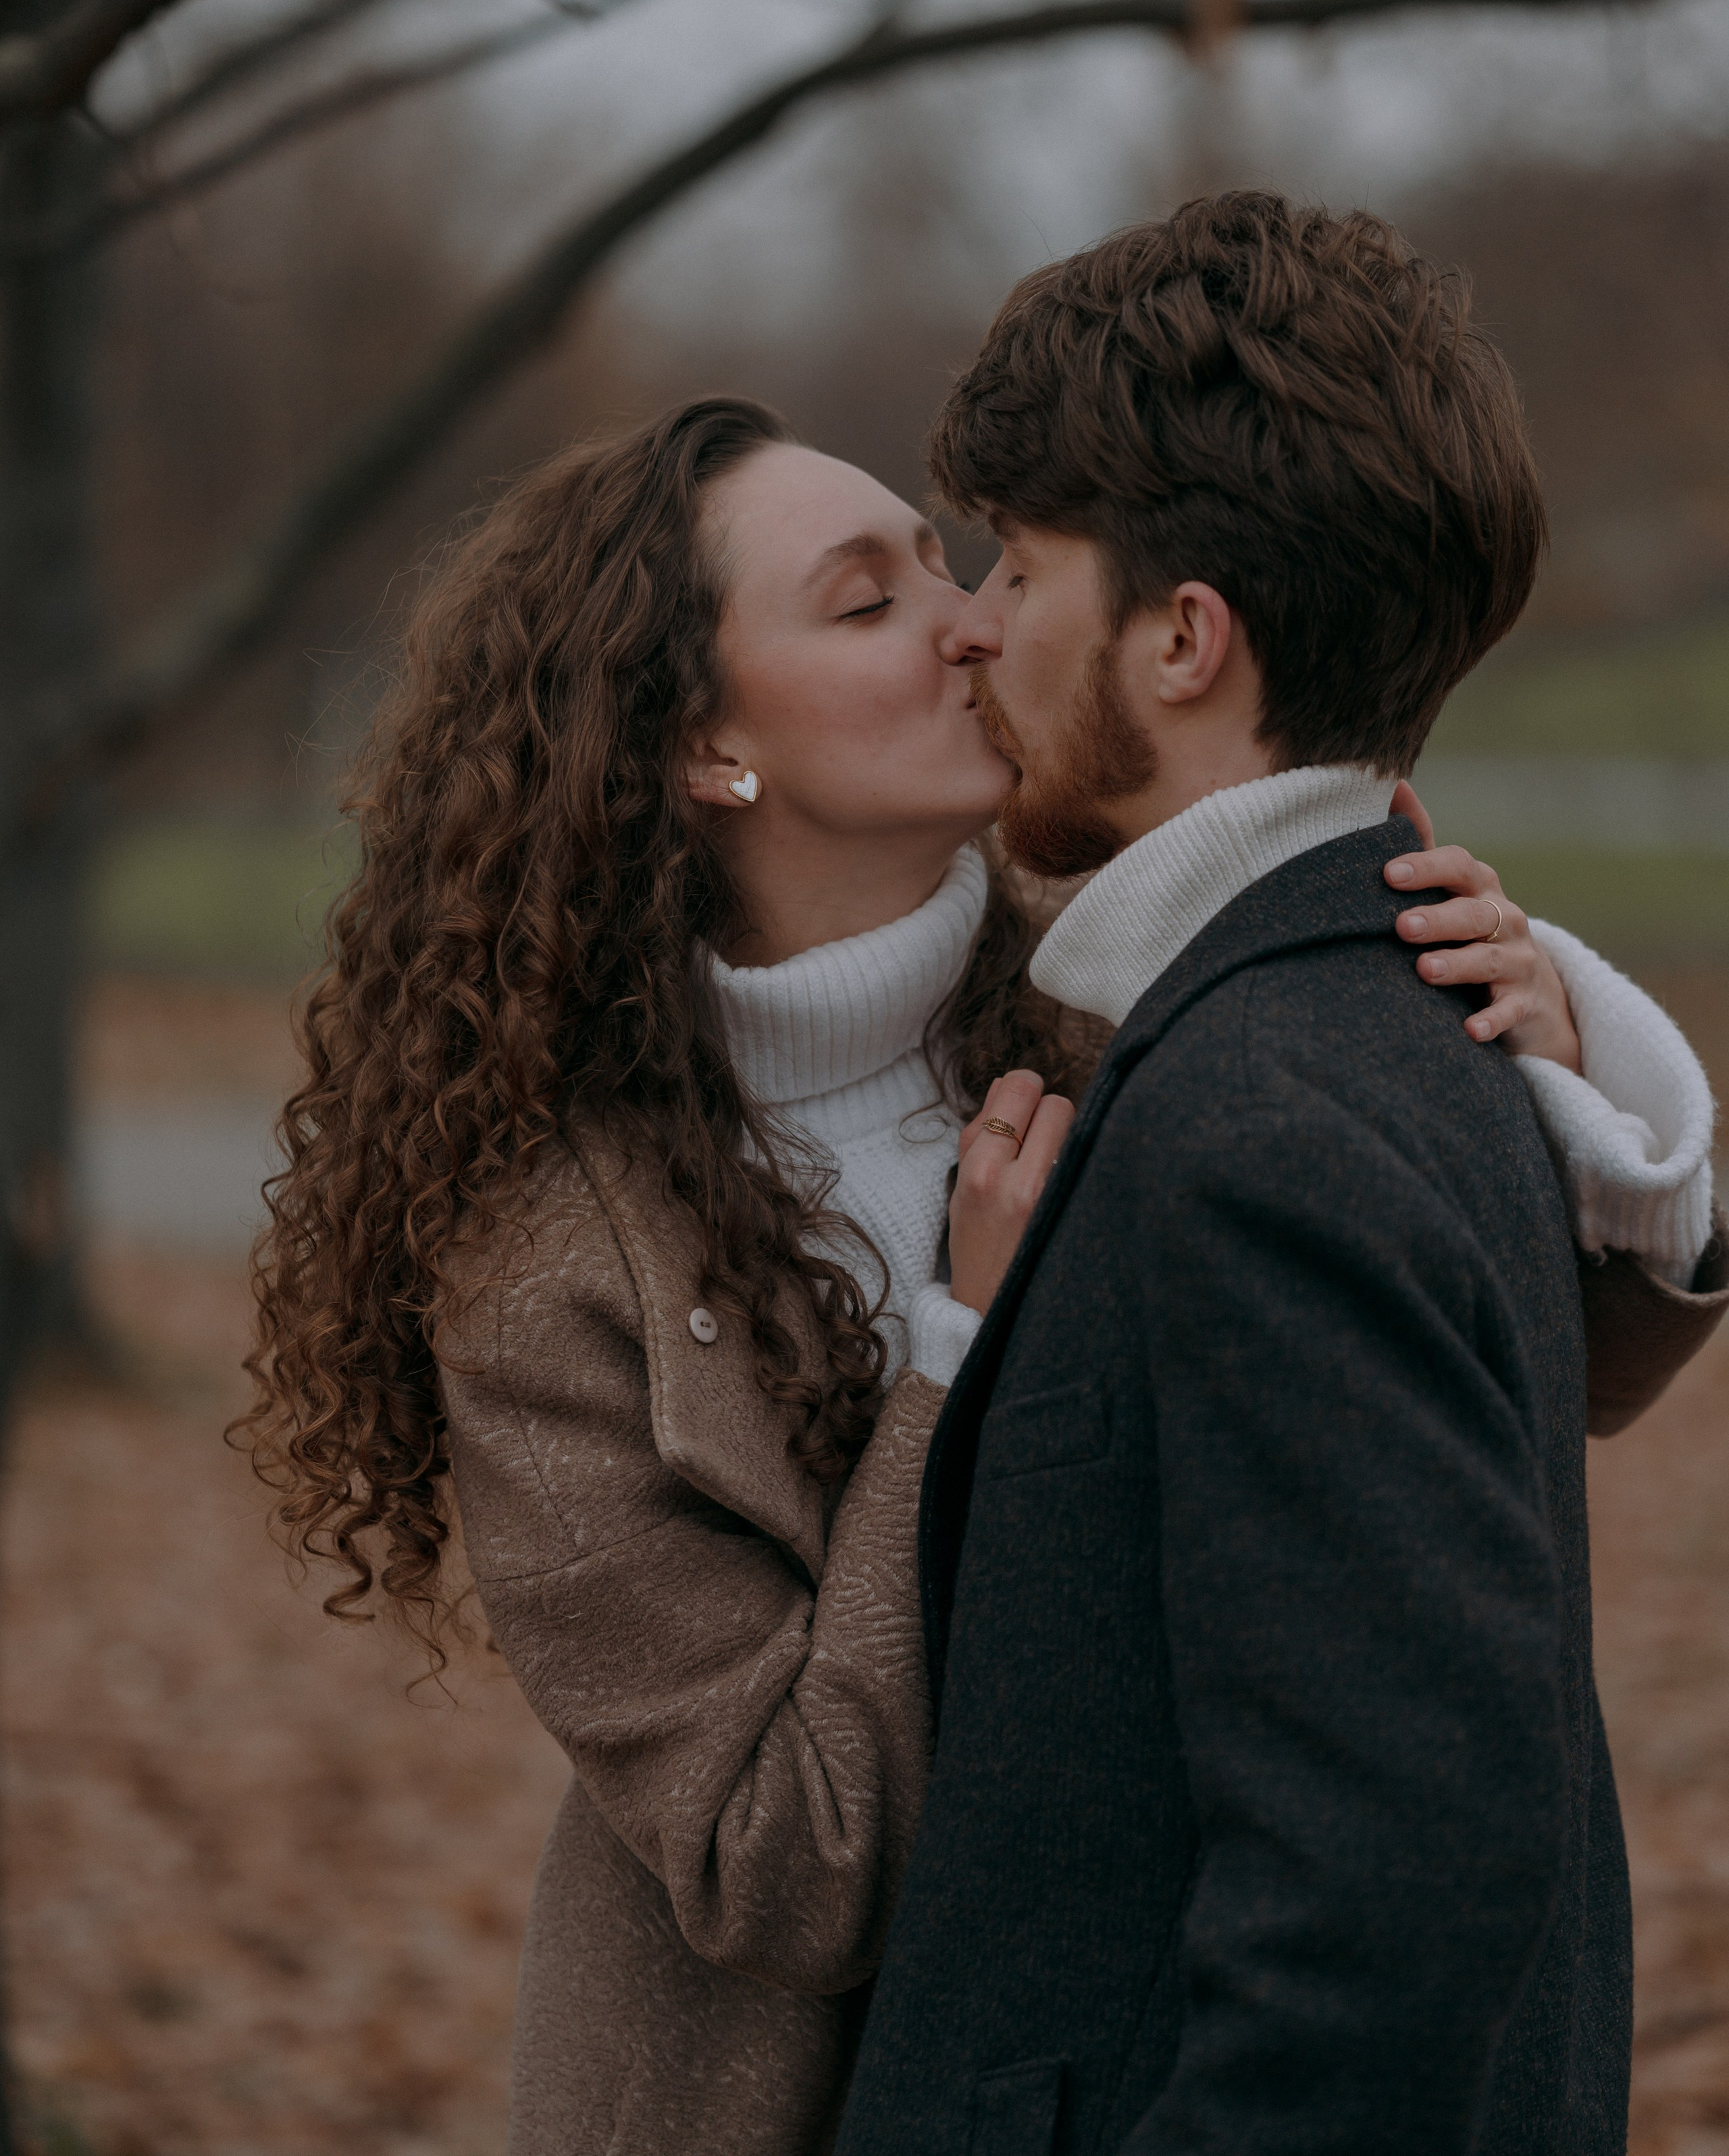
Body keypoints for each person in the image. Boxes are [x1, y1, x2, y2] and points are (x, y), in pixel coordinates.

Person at [236, 392, 1719, 2156]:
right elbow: (787, 1864)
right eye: (867, 602)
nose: (974, 621)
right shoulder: (544, 1271)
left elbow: (1518, 1385)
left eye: (954, 565)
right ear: (704, 748)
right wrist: (957, 1354)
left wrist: (1565, 1064)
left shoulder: (1142, 1005)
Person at [835, 194, 1724, 2156]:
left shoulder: (1267, 1124)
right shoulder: (1359, 1027)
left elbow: (1399, 1894)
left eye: (1018, 559)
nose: (970, 616)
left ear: (1181, 635)